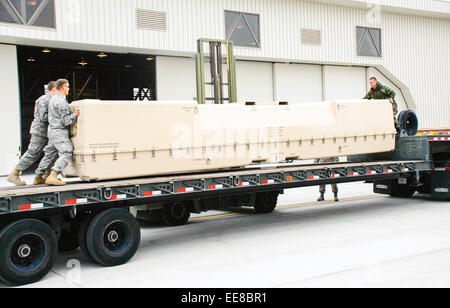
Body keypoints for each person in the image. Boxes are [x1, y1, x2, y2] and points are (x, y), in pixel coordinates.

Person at [7, 81, 57, 186]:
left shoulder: (52, 100)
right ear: (54, 89)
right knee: (33, 153)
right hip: (40, 131)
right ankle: (14, 174)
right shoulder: (44, 100)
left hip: (47, 131)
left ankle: (42, 176)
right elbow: (43, 117)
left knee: (51, 152)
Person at [36, 79, 79, 186]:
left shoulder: (53, 99)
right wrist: (75, 115)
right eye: (68, 87)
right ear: (63, 87)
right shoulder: (61, 102)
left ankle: (38, 176)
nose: (69, 89)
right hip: (59, 131)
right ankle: (53, 175)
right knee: (67, 151)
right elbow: (66, 121)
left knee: (50, 154)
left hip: (52, 131)